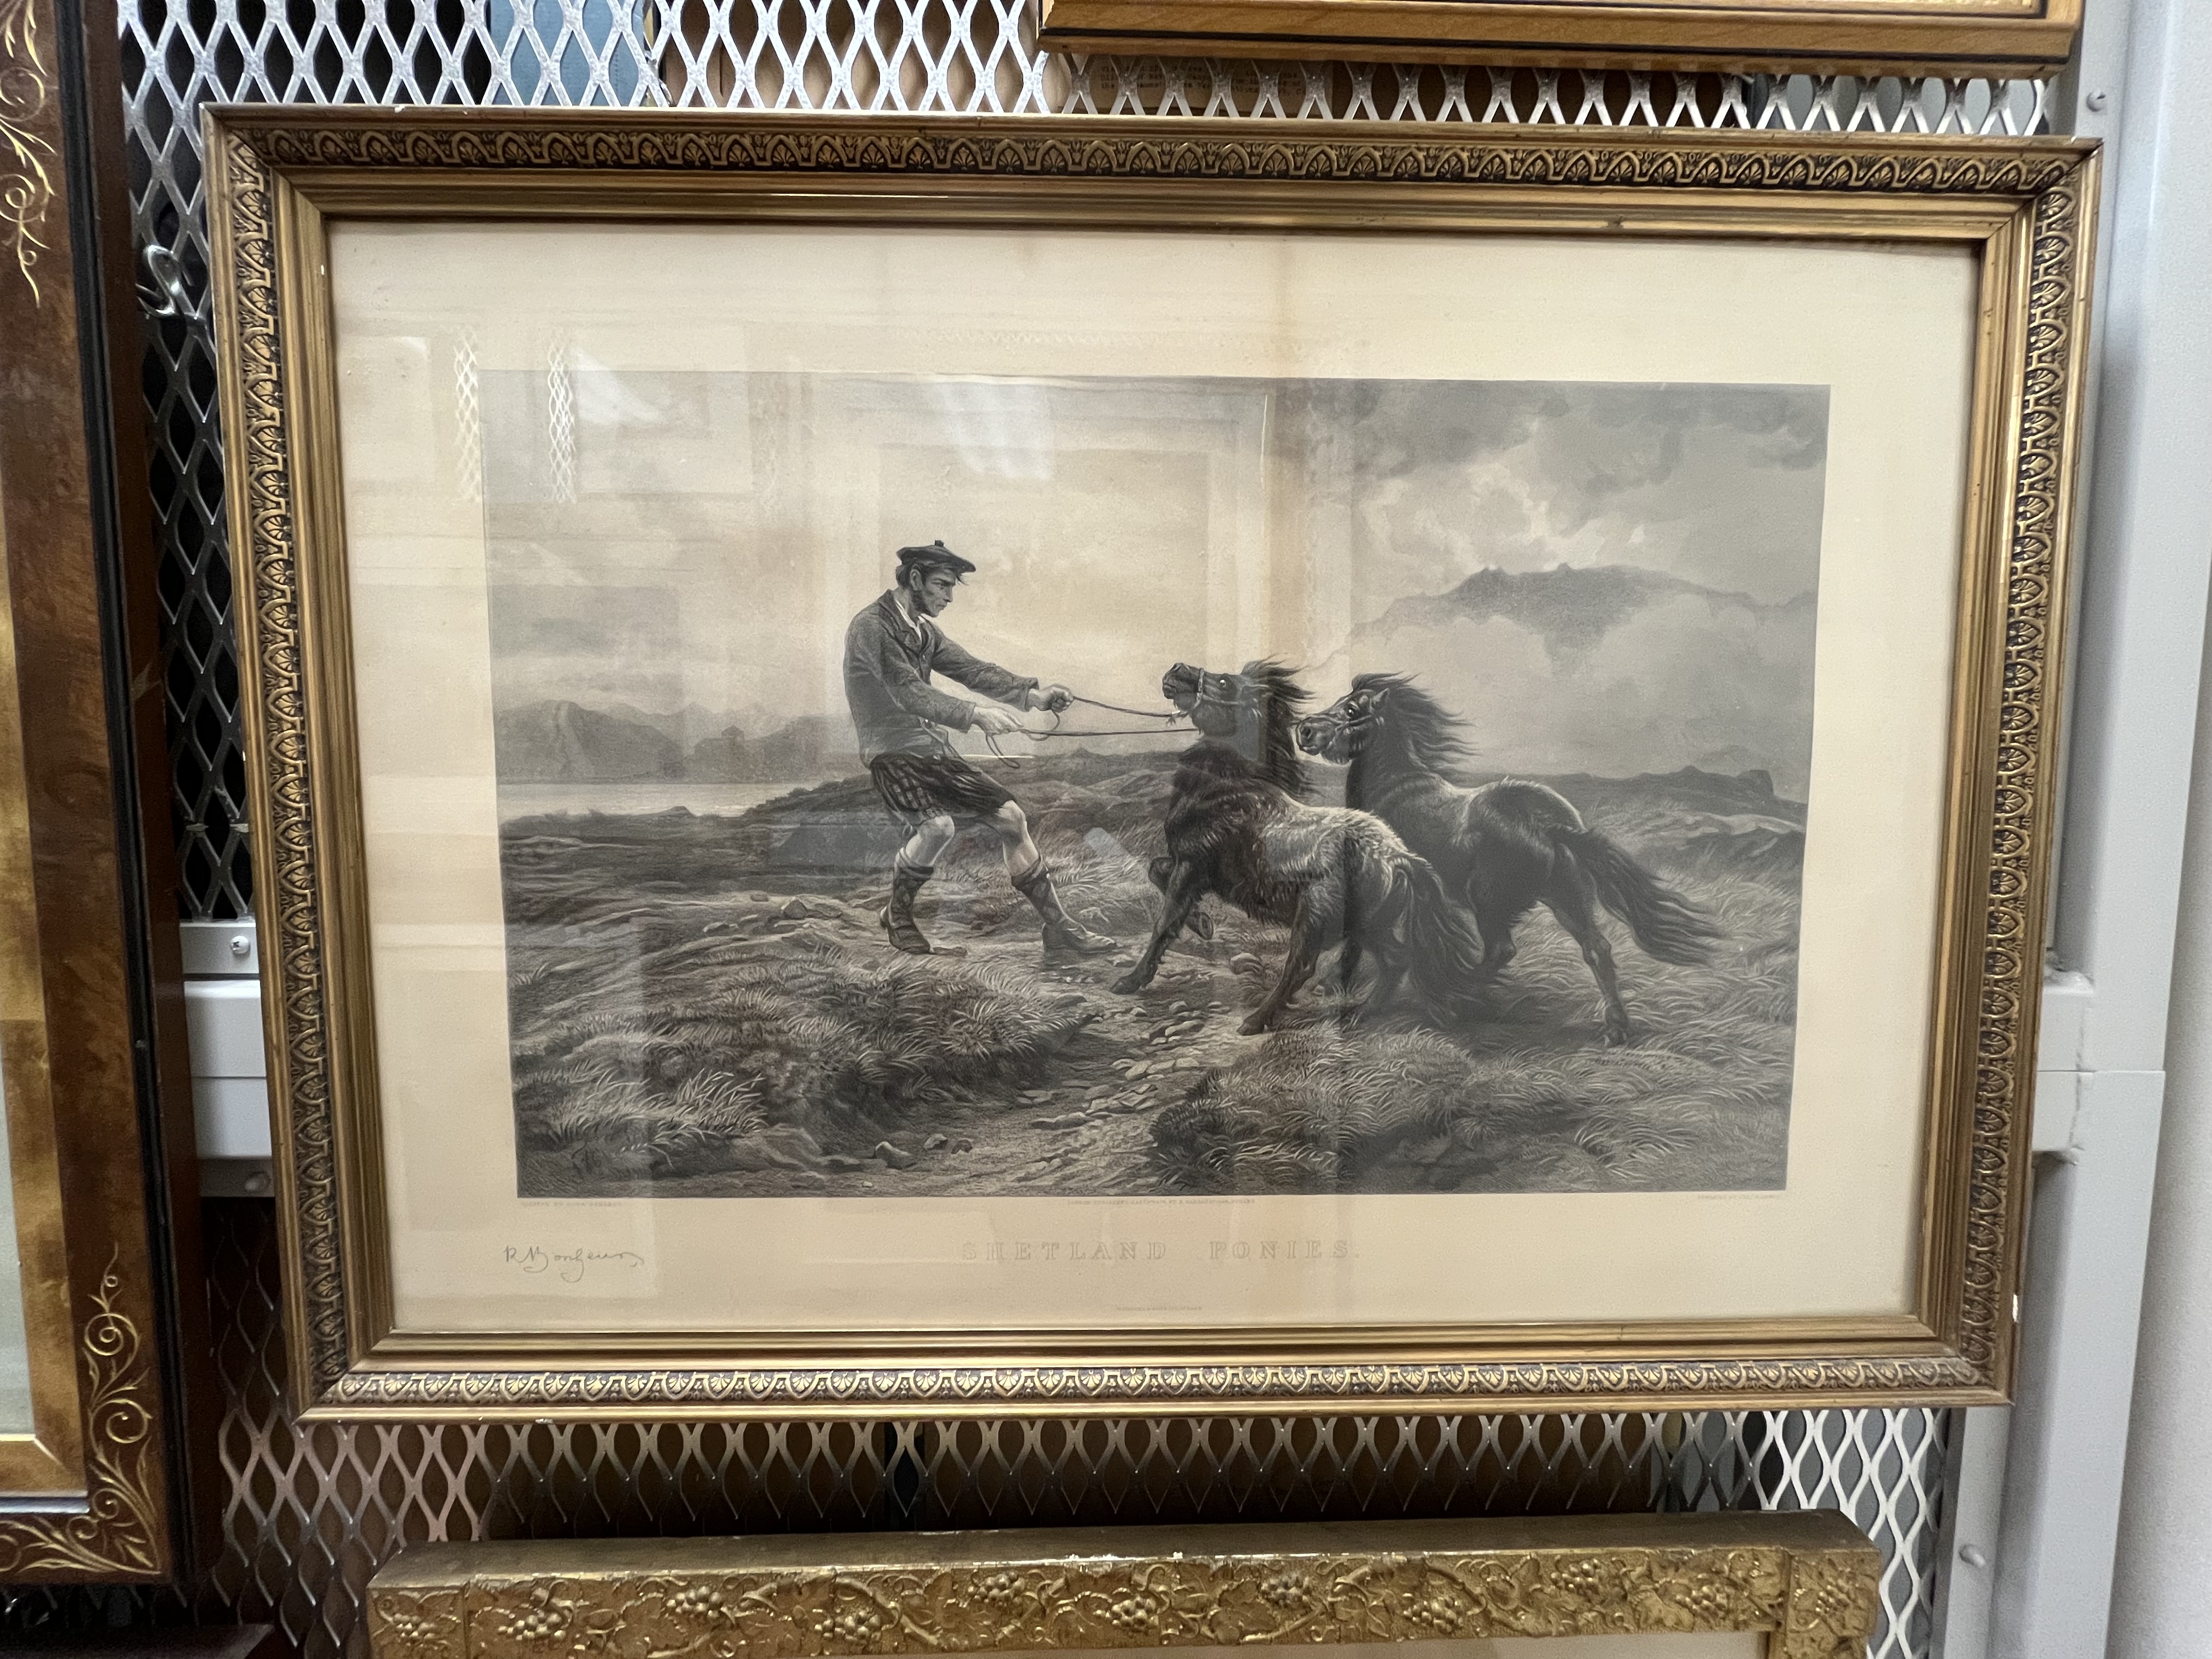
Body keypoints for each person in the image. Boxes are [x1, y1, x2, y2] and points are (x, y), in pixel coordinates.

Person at [843, 540, 1118, 960]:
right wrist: (975, 714)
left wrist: (1034, 696)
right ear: (914, 579)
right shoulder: (871, 626)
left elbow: (971, 669)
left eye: (952, 587)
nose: (949, 597)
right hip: (890, 751)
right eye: (942, 585)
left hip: (931, 748)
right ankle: (897, 915)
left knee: (1011, 817)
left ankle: (1059, 926)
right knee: (938, 828)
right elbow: (906, 691)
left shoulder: (923, 630)